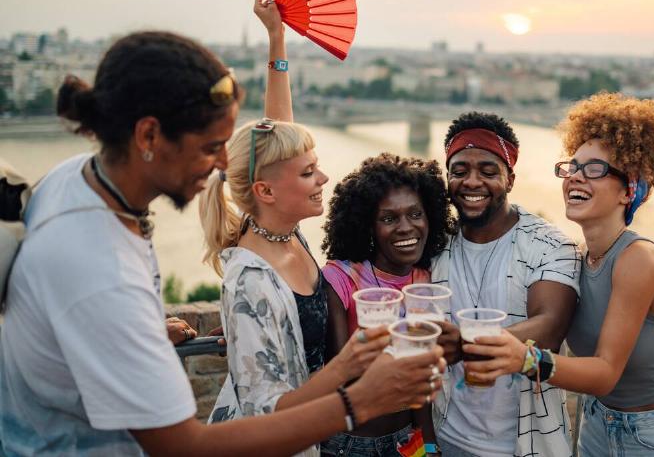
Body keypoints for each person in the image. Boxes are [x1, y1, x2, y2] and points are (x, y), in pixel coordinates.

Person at [0, 29, 443, 457]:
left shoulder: (75, 180)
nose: (222, 165)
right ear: (149, 136)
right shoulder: (101, 271)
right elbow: (182, 447)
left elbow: (278, 140)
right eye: (212, 146)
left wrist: (144, 334)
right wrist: (359, 400)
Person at [463, 93, 654, 456]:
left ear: (629, 190)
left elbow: (604, 373)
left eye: (594, 169)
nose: (575, 178)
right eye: (573, 167)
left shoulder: (639, 259)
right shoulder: (577, 257)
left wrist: (524, 358)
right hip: (599, 425)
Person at [431, 112, 582, 457]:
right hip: (444, 437)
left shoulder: (551, 245)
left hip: (525, 444)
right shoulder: (434, 246)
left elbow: (548, 329)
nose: (472, 182)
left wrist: (467, 344)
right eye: (459, 171)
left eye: (487, 171)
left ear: (510, 179)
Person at [321, 153, 456, 456]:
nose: (406, 227)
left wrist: (429, 447)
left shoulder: (425, 280)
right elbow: (344, 377)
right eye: (388, 218)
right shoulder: (341, 278)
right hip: (349, 444)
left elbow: (421, 388)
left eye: (415, 214)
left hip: (406, 441)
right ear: (367, 225)